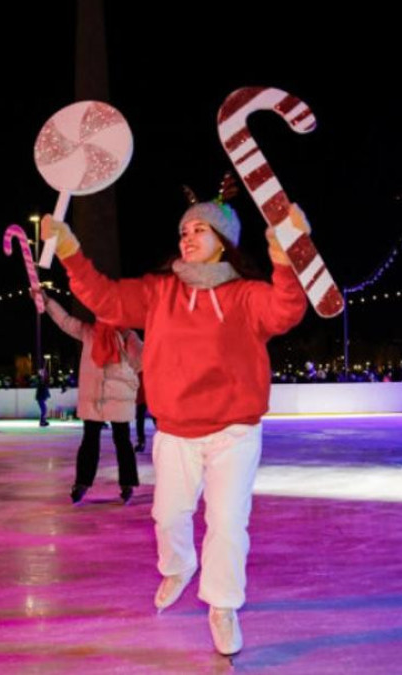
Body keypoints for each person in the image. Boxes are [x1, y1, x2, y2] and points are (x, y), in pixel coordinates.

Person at [39, 178, 308, 656]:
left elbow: (286, 309)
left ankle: (222, 605)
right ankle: (178, 567)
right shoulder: (158, 291)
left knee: (227, 522)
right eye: (184, 229)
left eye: (199, 229)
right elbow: (104, 298)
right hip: (175, 431)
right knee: (168, 515)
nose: (187, 236)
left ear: (223, 239)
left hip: (234, 430)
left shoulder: (245, 296)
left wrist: (286, 255)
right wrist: (68, 250)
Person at [39, 289, 142, 505]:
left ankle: (128, 483)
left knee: (122, 440)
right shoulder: (90, 333)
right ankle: (82, 482)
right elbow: (65, 321)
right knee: (89, 441)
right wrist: (47, 301)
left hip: (118, 397)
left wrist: (127, 340)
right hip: (94, 397)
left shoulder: (128, 336)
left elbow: (142, 361)